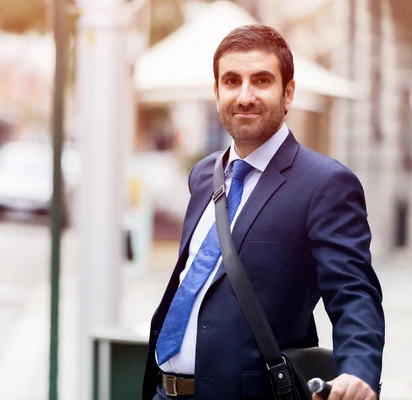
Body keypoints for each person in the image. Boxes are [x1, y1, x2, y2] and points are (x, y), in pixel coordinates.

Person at [142, 25, 385, 400]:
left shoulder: (325, 184)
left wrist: (358, 370)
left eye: (261, 80)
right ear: (217, 92)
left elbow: (354, 293)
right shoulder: (203, 175)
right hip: (165, 392)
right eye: (232, 81)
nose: (245, 95)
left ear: (287, 93)